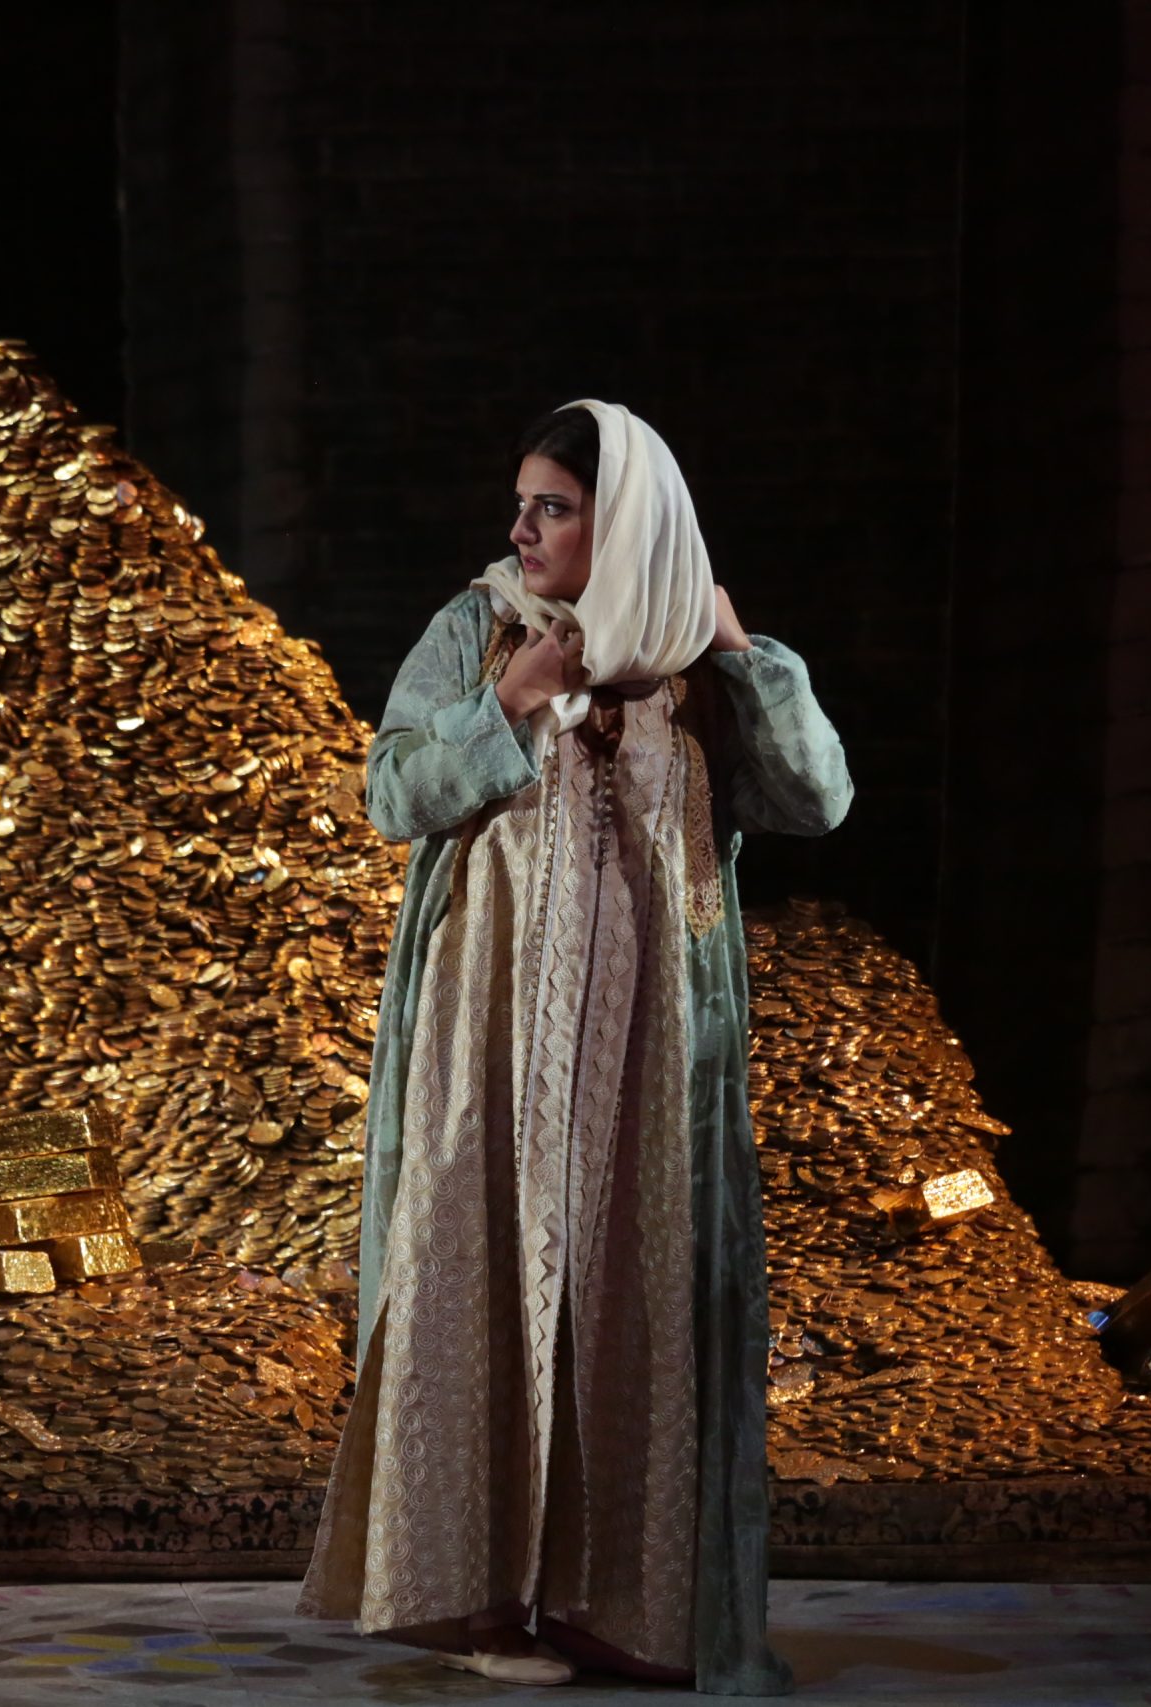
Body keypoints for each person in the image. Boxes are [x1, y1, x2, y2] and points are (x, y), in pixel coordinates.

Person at [298, 401, 851, 1691]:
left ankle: (623, 1608)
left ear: (631, 523)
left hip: (651, 1062)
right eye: (522, 505)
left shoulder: (699, 668)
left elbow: (816, 798)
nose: (521, 530)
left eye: (552, 507)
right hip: (488, 1039)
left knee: (632, 1299)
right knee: (479, 1277)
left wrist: (747, 656)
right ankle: (478, 1600)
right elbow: (390, 792)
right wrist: (506, 703)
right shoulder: (480, 628)